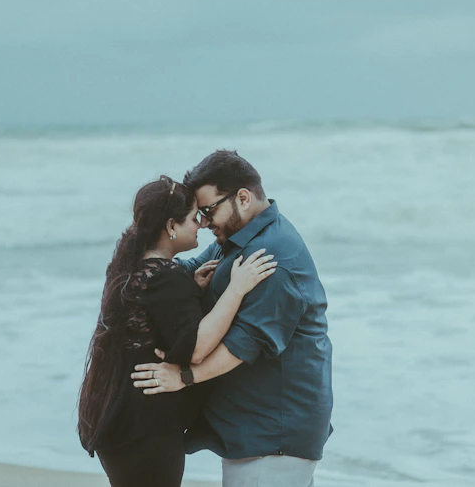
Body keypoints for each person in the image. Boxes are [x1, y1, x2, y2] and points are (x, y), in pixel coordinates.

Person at [131, 151, 333, 487]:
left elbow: (242, 345)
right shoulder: (240, 239)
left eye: (209, 211)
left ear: (243, 198)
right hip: (257, 429)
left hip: (273, 435)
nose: (204, 223)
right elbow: (184, 270)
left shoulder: (272, 258)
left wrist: (183, 376)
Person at [77, 175, 277, 487]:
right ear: (171, 226)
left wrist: (190, 292)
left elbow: (159, 321)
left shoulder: (133, 269)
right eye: (194, 218)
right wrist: (237, 289)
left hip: (119, 423)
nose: (201, 224)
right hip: (146, 431)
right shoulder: (167, 277)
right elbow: (196, 347)